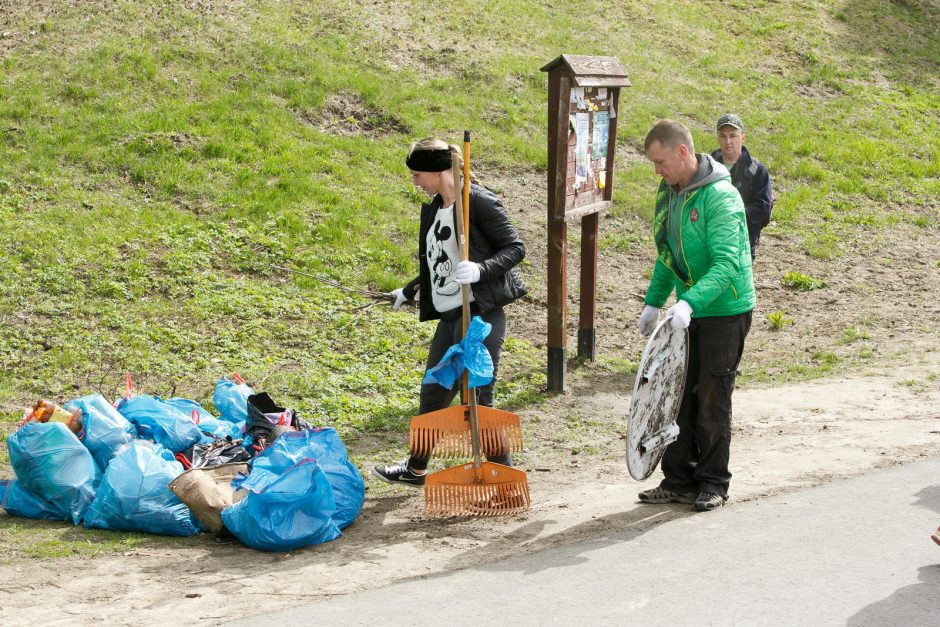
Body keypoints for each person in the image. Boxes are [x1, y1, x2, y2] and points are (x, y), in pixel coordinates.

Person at [372, 137, 528, 487]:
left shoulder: (478, 202)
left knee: (477, 398)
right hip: (449, 315)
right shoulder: (433, 207)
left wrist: (480, 270)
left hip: (480, 316)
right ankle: (416, 469)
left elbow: (515, 248)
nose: (415, 182)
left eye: (417, 175)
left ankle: (503, 477)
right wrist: (411, 289)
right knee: (434, 391)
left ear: (439, 170)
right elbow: (438, 262)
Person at [636, 119, 756, 512]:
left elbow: (728, 265)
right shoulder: (672, 193)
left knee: (711, 399)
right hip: (688, 312)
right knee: (675, 397)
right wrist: (655, 303)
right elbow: (668, 255)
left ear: (683, 153)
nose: (657, 170)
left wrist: (689, 303)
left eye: (660, 161)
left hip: (724, 310)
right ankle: (678, 481)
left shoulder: (721, 198)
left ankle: (713, 482)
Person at [710, 113, 774, 260]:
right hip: (710, 238)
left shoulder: (757, 170)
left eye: (733, 136)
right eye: (723, 136)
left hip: (742, 241)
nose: (728, 141)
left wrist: (731, 214)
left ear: (742, 137)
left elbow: (763, 207)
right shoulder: (708, 165)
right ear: (717, 137)